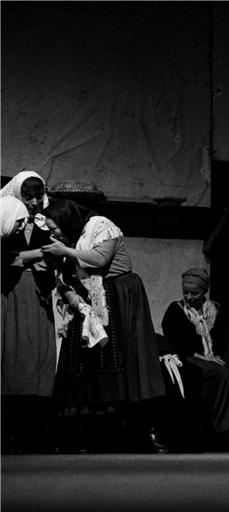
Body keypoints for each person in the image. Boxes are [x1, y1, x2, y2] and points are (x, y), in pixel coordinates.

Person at [40, 198, 168, 453]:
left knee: (126, 361)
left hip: (118, 296)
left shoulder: (101, 226)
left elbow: (99, 259)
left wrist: (65, 251)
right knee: (87, 365)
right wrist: (69, 294)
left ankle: (142, 432)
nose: (54, 234)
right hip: (87, 302)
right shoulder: (71, 239)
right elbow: (62, 276)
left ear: (67, 220)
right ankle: (88, 436)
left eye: (55, 228)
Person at [161, 268, 229, 451]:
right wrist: (203, 357)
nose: (189, 297)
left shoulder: (214, 311)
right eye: (186, 292)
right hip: (188, 359)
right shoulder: (176, 310)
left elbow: (221, 342)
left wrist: (214, 357)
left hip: (210, 359)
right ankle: (224, 432)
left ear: (204, 292)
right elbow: (176, 343)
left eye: (194, 293)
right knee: (224, 375)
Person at [1, 171, 58, 454]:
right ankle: (11, 432)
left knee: (40, 358)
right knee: (14, 357)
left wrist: (36, 257)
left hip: (39, 295)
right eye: (28, 197)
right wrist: (32, 256)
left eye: (38, 196)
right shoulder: (7, 218)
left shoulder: (47, 223)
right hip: (11, 295)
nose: (34, 202)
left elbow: (58, 252)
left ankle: (36, 432)